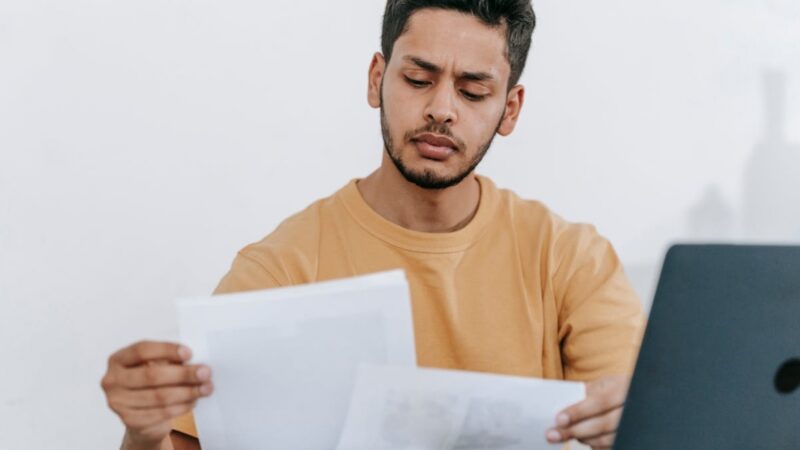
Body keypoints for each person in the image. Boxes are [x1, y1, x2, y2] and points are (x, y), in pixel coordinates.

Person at [100, 1, 644, 449]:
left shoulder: (570, 259)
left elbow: (650, 424)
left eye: (473, 90)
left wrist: (641, 426)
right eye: (417, 78)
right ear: (377, 79)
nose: (442, 109)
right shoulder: (283, 267)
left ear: (510, 109)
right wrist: (143, 434)